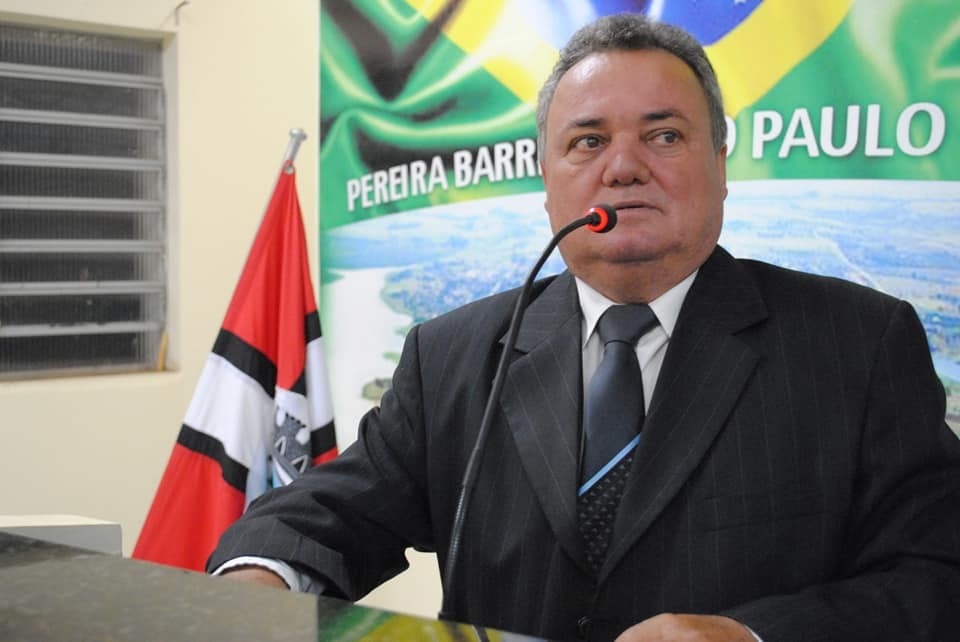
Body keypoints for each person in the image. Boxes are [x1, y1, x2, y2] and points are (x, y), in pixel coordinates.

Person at [207, 13, 960, 642]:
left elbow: (936, 577)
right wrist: (262, 575)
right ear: (547, 180)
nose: (623, 167)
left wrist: (755, 635)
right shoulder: (452, 355)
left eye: (664, 136)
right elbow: (329, 512)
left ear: (721, 165)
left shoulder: (859, 345)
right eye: (588, 141)